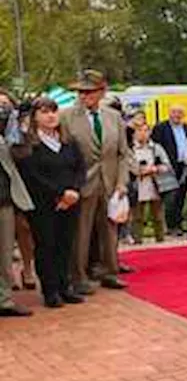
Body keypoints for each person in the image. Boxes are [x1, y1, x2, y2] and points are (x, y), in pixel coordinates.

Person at [64, 70, 131, 294]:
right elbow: (64, 154)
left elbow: (123, 153)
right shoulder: (66, 117)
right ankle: (78, 276)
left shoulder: (114, 117)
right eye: (80, 92)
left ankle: (109, 272)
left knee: (109, 229)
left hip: (110, 183)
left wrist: (122, 182)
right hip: (82, 183)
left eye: (89, 92)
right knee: (80, 233)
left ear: (102, 92)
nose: (83, 96)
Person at [16, 97, 87, 308]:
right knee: (46, 245)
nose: (51, 116)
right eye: (45, 112)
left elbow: (80, 168)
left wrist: (73, 190)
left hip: (71, 201)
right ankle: (50, 290)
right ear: (35, 117)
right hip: (44, 204)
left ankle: (65, 287)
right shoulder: (30, 145)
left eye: (54, 111)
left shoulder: (68, 141)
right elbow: (32, 176)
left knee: (65, 244)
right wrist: (59, 193)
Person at [0, 90, 34, 317]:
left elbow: (22, 154)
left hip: (4, 198)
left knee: (4, 252)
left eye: (5, 106)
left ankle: (4, 299)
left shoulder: (9, 135)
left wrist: (21, 125)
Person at [130, 121, 175, 244]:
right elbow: (127, 165)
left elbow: (167, 165)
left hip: (155, 184)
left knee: (158, 216)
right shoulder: (130, 149)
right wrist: (138, 171)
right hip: (137, 185)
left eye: (145, 130)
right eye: (139, 131)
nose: (143, 134)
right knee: (137, 217)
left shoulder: (156, 148)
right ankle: (137, 240)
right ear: (134, 134)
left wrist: (155, 169)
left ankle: (160, 239)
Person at [152, 106, 187, 235]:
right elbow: (155, 146)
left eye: (180, 112)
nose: (177, 115)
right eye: (174, 112)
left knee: (182, 195)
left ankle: (179, 223)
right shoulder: (161, 128)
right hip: (168, 166)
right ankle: (171, 226)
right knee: (171, 197)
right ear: (169, 113)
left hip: (184, 165)